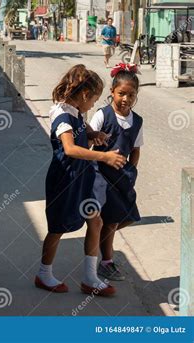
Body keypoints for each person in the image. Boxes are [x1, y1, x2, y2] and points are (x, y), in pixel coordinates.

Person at [35, 64, 126, 296]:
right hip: (65, 178)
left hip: (83, 176)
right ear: (85, 94)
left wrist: (93, 134)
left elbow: (82, 130)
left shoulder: (74, 110)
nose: (94, 105)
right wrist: (103, 156)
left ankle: (90, 278)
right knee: (57, 228)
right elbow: (69, 148)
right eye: (94, 99)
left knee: (95, 221)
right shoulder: (62, 114)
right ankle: (44, 275)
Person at [89, 64, 143, 281]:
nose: (126, 99)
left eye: (131, 95)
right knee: (109, 221)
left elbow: (136, 150)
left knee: (130, 216)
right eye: (121, 93)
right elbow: (88, 144)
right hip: (101, 176)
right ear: (112, 92)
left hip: (123, 177)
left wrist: (132, 173)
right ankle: (106, 262)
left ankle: (102, 240)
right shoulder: (102, 115)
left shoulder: (137, 121)